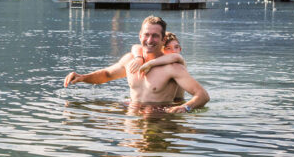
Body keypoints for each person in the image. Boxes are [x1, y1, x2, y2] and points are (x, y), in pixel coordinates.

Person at [63, 15, 208, 113]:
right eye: (146, 35)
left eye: (155, 36)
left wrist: (185, 108)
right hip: (132, 123)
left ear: (163, 40)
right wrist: (82, 77)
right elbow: (106, 75)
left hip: (159, 123)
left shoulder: (173, 68)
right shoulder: (130, 60)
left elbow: (202, 95)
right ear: (140, 36)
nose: (149, 40)